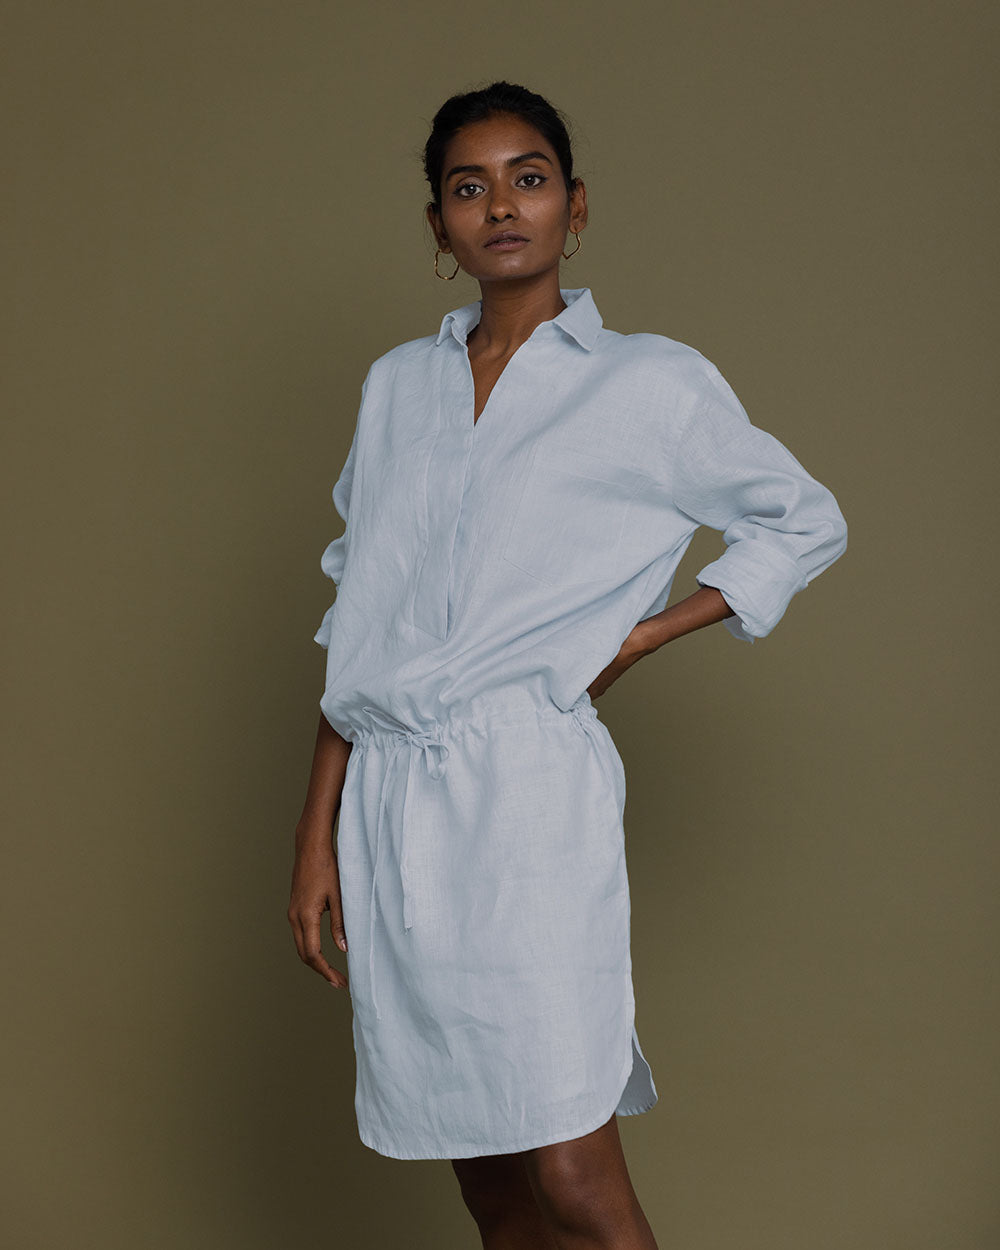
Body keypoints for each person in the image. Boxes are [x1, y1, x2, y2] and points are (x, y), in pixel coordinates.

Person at [288, 80, 848, 1249]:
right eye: (469, 186)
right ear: (438, 225)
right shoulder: (396, 387)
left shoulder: (646, 381)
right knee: (488, 1183)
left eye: (528, 178)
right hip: (390, 805)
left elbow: (802, 519)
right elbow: (360, 612)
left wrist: (637, 635)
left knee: (572, 1173)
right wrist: (315, 837)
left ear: (574, 206)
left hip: (527, 795)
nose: (501, 205)